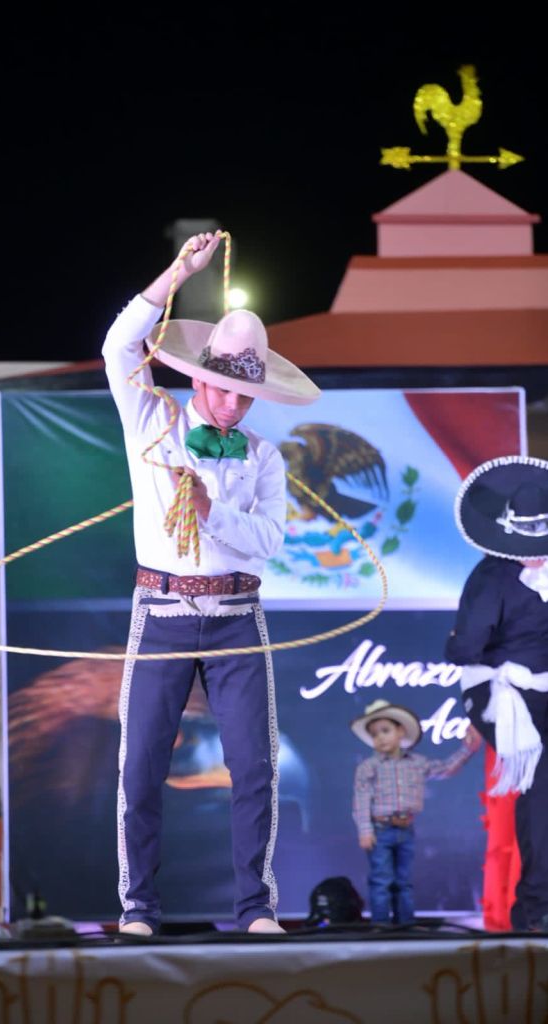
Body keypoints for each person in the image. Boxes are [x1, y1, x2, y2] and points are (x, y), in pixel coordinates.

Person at [101, 231, 320, 936]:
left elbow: (269, 542)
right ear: (198, 379)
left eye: (245, 396)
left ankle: (256, 908)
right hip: (161, 609)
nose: (232, 406)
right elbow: (118, 347)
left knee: (254, 768)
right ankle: (138, 908)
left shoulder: (263, 457)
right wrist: (176, 273)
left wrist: (209, 511)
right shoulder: (152, 419)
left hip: (236, 615)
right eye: (223, 390)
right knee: (140, 769)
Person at [446, 455, 548, 931]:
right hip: (499, 689)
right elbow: (466, 649)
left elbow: (463, 642)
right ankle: (536, 908)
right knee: (541, 786)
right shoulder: (492, 576)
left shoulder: (494, 576)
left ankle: (537, 906)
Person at [351, 698, 480, 925]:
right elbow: (361, 799)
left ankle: (405, 926)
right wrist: (365, 830)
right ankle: (380, 927)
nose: (380, 738)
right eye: (375, 734)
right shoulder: (368, 767)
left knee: (404, 881)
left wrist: (467, 750)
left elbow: (445, 768)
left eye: (385, 730)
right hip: (380, 829)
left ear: (401, 731)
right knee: (381, 880)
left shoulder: (417, 763)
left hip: (405, 828)